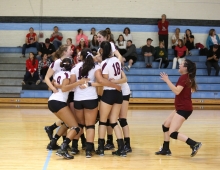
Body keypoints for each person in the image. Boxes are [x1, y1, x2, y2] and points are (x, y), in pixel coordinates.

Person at [155, 59, 202, 157]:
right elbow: (190, 90)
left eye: (181, 64)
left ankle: (194, 144)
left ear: (186, 68)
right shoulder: (187, 77)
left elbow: (177, 91)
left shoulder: (184, 77)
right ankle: (166, 149)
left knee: (172, 132)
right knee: (165, 125)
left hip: (184, 108)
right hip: (180, 107)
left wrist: (167, 80)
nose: (179, 65)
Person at [47, 58, 85, 159]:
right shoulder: (68, 75)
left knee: (66, 124)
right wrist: (78, 83)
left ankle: (53, 142)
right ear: (72, 65)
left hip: (51, 101)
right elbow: (64, 88)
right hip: (59, 102)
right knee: (76, 127)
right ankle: (63, 149)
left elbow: (55, 86)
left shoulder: (58, 74)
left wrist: (57, 85)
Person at [95, 41, 126, 157]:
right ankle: (121, 148)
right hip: (119, 93)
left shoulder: (104, 63)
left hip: (108, 93)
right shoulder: (117, 60)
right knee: (113, 121)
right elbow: (122, 77)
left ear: (102, 50)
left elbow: (104, 80)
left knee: (103, 121)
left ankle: (101, 148)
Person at [104, 80, 132, 153]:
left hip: (123, 91)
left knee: (122, 119)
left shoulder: (118, 68)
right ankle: (109, 141)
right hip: (112, 91)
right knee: (109, 118)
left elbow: (125, 79)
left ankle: (127, 144)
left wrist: (115, 81)